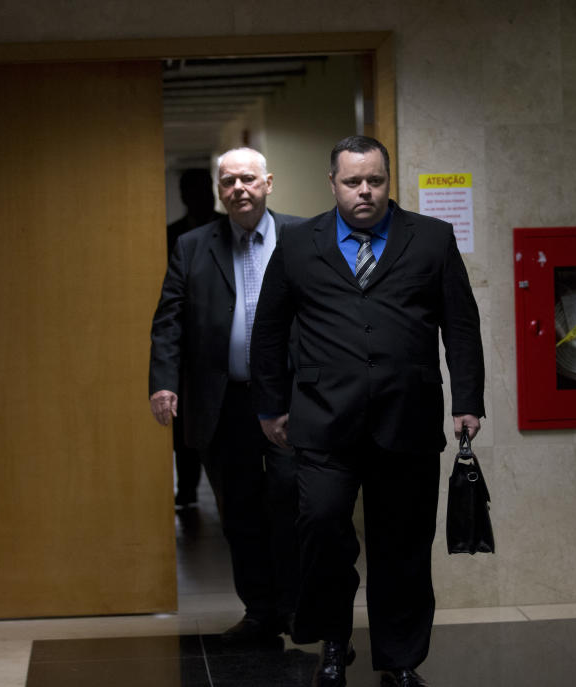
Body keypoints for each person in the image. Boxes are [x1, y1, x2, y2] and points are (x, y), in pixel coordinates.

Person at [251, 135, 485, 687]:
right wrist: (269, 406)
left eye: (375, 181)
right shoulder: (298, 243)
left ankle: (399, 658)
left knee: (402, 542)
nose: (365, 191)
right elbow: (269, 330)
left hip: (407, 418)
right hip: (322, 418)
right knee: (322, 524)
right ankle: (334, 640)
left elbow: (461, 325)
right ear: (332, 183)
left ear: (388, 181)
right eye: (353, 181)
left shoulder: (431, 239)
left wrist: (468, 401)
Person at [149, 148, 301, 641]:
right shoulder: (193, 246)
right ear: (219, 189)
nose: (239, 188)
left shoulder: (305, 237)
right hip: (225, 402)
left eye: (248, 179)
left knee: (292, 504)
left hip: (291, 401)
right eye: (229, 181)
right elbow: (169, 321)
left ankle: (297, 608)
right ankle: (261, 613)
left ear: (268, 182)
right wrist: (165, 381)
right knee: (239, 513)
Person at [165, 168, 224, 510]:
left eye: (202, 189)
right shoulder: (170, 235)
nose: (196, 196)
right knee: (184, 429)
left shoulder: (230, 229)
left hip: (223, 344)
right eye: (189, 189)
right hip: (189, 349)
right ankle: (186, 492)